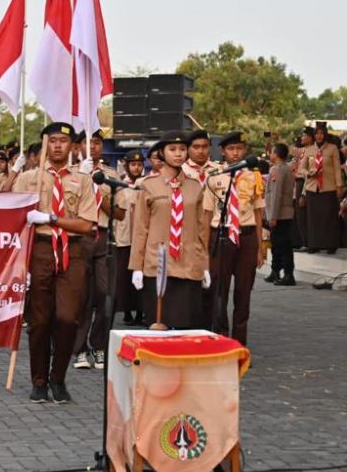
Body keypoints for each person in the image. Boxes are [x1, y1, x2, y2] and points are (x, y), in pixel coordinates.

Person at [14, 123, 98, 404]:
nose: (58, 145)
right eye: (52, 141)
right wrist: (20, 263)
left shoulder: (82, 180)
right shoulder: (28, 178)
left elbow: (85, 225)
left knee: (68, 317)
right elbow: (14, 220)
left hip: (71, 250)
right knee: (39, 321)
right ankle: (39, 381)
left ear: (73, 146)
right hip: (38, 249)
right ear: (44, 144)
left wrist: (51, 218)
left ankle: (58, 377)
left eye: (63, 140)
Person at [129, 131, 210, 331]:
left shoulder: (195, 188)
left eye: (182, 149)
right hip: (158, 264)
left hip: (188, 264)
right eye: (172, 149)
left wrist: (205, 265)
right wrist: (136, 266)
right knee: (159, 327)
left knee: (186, 327)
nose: (178, 154)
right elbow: (140, 229)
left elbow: (202, 230)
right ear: (162, 153)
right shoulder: (149, 186)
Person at [203, 131, 265, 346]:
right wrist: (206, 246)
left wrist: (260, 247)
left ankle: (239, 342)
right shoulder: (215, 176)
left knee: (243, 292)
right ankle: (221, 337)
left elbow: (258, 212)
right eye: (231, 149)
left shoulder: (254, 176)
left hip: (246, 236)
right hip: (221, 235)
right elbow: (207, 214)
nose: (235, 153)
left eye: (239, 148)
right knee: (219, 290)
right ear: (222, 151)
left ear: (245, 150)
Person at [73, 130, 118, 371]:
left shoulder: (111, 175)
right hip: (79, 237)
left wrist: (98, 190)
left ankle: (99, 345)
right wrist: (83, 180)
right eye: (87, 142)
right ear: (78, 147)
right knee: (81, 296)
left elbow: (120, 213)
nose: (93, 147)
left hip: (103, 236)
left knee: (103, 294)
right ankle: (79, 349)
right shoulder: (71, 173)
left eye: (97, 142)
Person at [299, 122, 344, 255]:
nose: (319, 136)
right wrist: (308, 173)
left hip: (328, 187)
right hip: (312, 188)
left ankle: (331, 244)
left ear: (325, 135)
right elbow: (301, 168)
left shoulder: (332, 148)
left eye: (321, 133)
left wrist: (339, 186)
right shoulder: (308, 150)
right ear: (314, 135)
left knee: (329, 218)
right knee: (313, 218)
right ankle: (314, 244)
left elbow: (337, 169)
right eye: (317, 133)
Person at [113, 151, 145, 326]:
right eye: (133, 164)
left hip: (141, 237)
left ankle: (141, 311)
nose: (136, 168)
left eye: (139, 165)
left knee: (142, 275)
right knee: (124, 276)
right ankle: (126, 311)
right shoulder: (119, 185)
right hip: (123, 237)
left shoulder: (146, 184)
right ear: (127, 166)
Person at [265, 143, 296, 286]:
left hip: (280, 214)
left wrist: (273, 216)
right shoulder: (285, 168)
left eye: (272, 152)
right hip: (281, 212)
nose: (270, 154)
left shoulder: (278, 170)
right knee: (276, 244)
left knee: (283, 245)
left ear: (276, 154)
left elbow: (276, 194)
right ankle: (275, 271)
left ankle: (288, 274)